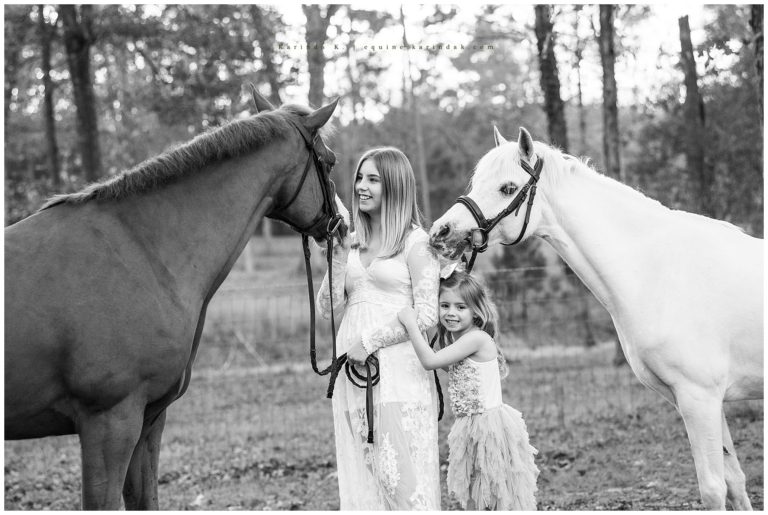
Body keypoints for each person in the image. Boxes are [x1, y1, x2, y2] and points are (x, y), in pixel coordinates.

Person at [316, 147, 441, 510]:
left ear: (396, 187)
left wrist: (369, 342)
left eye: (373, 179)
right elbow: (328, 307)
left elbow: (427, 315)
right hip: (353, 377)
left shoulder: (416, 243)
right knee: (367, 479)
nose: (361, 187)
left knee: (401, 483)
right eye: (359, 178)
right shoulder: (353, 243)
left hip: (397, 376)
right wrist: (338, 254)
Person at [398, 269, 539, 511]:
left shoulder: (476, 339)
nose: (451, 313)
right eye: (444, 305)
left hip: (487, 426)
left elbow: (431, 361)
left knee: (495, 490)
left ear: (476, 312)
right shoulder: (461, 340)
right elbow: (450, 368)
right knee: (479, 489)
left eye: (460, 307)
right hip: (471, 425)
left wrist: (411, 323)